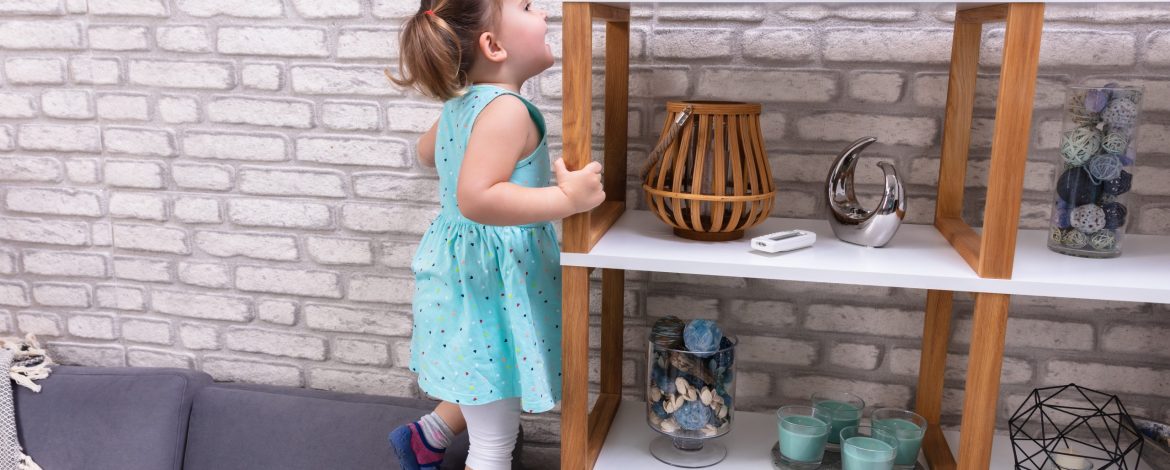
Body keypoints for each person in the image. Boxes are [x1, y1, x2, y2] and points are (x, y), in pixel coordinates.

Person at [385, 1, 605, 469]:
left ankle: (428, 436)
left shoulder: (461, 103)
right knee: (493, 441)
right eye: (527, 6)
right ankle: (433, 437)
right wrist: (569, 201)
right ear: (494, 45)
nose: (543, 13)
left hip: (468, 277)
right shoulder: (507, 110)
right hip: (489, 284)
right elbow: (477, 199)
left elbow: (427, 154)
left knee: (487, 376)